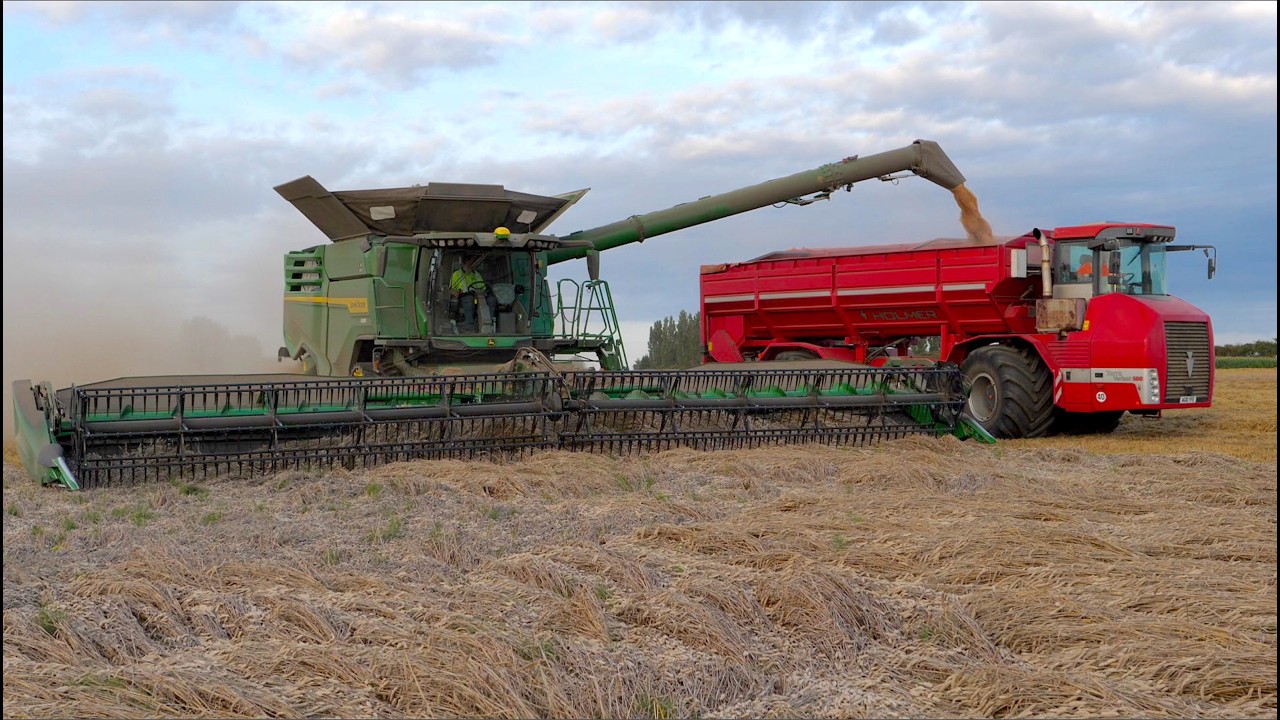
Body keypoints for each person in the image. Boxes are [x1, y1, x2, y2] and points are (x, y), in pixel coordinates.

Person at [450, 255, 497, 331]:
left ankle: (489, 323)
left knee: (492, 300)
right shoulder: (456, 274)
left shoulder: (477, 274)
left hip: (479, 295)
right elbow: (452, 290)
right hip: (464, 297)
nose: (472, 265)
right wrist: (457, 293)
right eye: (470, 263)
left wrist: (483, 292)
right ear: (464, 263)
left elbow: (483, 287)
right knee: (468, 299)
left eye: (473, 263)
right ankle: (470, 325)